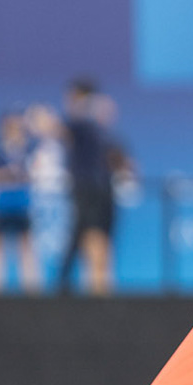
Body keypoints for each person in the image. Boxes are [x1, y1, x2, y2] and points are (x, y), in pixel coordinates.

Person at [56, 79, 127, 294]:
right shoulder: (91, 128)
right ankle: (96, 287)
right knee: (90, 239)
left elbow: (119, 160)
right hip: (94, 190)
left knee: (95, 238)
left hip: (94, 192)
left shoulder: (89, 126)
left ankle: (98, 288)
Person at [0, 110, 41, 292]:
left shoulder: (29, 147)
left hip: (22, 203)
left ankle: (32, 290)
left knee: (26, 245)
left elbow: (37, 171)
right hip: (1, 204)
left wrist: (18, 174)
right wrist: (9, 174)